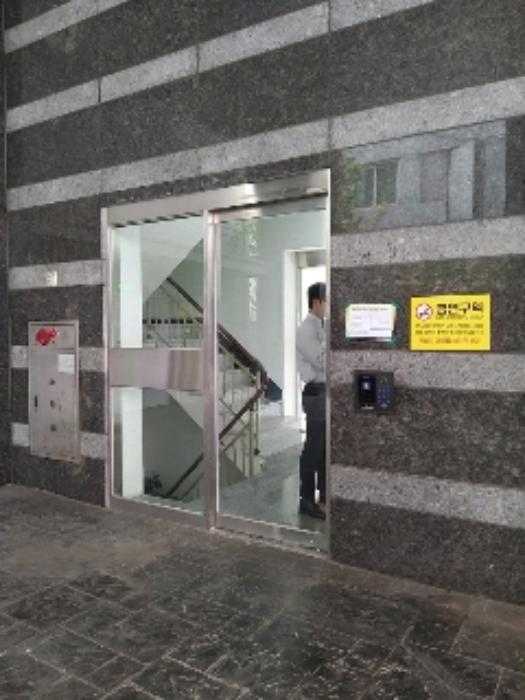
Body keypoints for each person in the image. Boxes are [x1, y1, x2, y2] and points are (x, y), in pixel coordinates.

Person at [296, 282, 326, 520]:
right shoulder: (306, 329)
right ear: (316, 302)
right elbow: (322, 361)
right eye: (326, 302)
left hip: (324, 391)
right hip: (316, 391)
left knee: (324, 447)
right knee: (314, 447)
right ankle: (306, 500)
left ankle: (324, 496)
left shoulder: (320, 326)